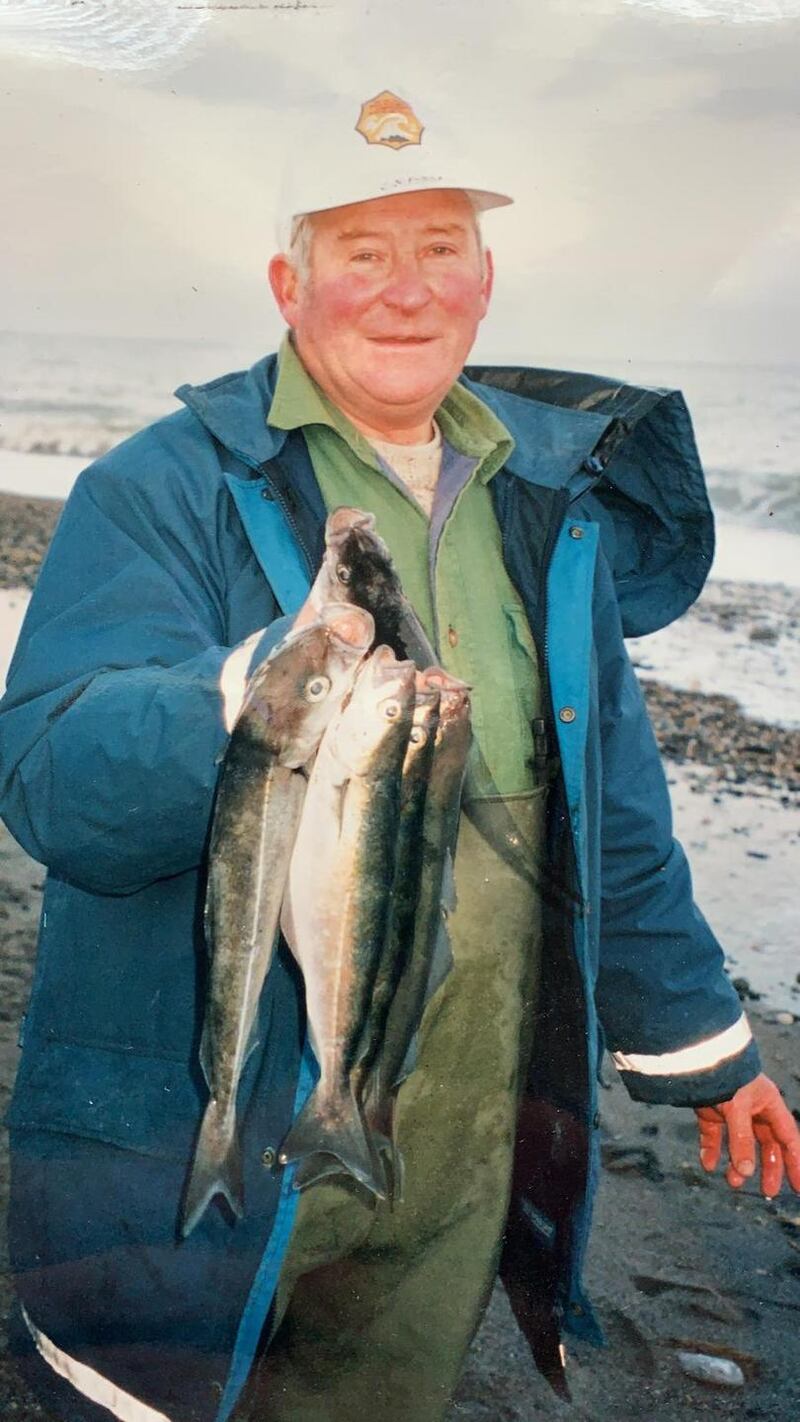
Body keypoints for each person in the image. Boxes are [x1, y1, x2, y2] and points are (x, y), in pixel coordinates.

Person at [1, 87, 798, 1422]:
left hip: (459, 1143)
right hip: (201, 1135)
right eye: (361, 254)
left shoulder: (548, 507)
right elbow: (52, 775)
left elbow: (606, 807)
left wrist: (706, 1040)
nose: (406, 290)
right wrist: (247, 692)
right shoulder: (161, 489)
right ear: (286, 284)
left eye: (438, 248)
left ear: (486, 280)